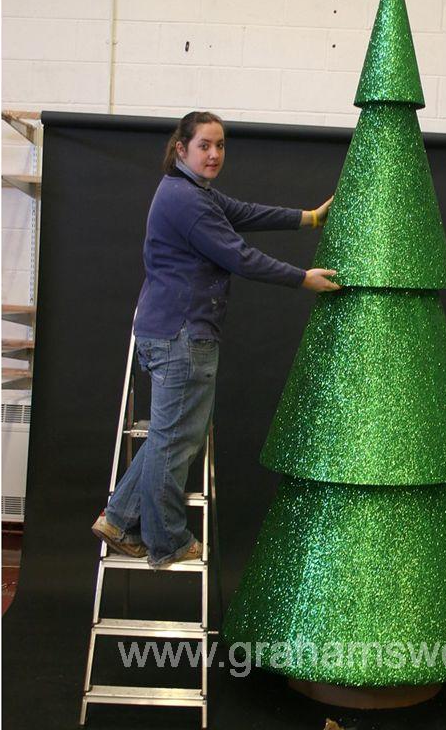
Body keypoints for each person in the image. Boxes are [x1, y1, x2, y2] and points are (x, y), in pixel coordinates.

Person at [92, 110, 340, 569]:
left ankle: (119, 517)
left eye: (221, 145)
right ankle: (166, 542)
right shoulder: (186, 201)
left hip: (165, 331)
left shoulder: (190, 193)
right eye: (204, 145)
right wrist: (301, 278)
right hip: (182, 336)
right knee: (176, 443)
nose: (214, 154)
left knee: (167, 436)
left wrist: (307, 218)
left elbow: (243, 213)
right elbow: (238, 255)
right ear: (181, 148)